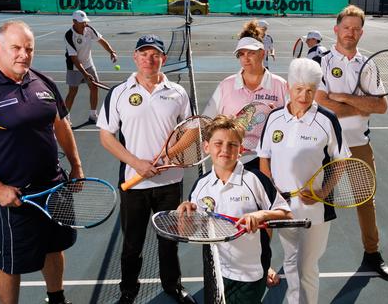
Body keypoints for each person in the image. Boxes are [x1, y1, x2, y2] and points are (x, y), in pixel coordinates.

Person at [0, 20, 83, 304]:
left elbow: (61, 125)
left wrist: (76, 165)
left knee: (54, 247)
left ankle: (56, 299)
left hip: (55, 187)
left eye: (29, 49)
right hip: (17, 197)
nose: (23, 54)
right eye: (16, 48)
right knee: (12, 264)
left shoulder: (43, 82)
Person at [96, 34, 197, 304]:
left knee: (169, 241)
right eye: (144, 53)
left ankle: (173, 286)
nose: (149, 59)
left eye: (155, 54)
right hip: (134, 183)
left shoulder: (178, 93)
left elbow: (189, 132)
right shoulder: (119, 93)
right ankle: (128, 291)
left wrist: (167, 154)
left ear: (163, 59)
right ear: (135, 57)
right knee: (132, 244)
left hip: (170, 182)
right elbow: (106, 136)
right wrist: (136, 163)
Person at [259, 57, 351, 303]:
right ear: (289, 87)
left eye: (310, 90)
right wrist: (273, 191)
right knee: (290, 260)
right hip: (283, 207)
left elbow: (340, 161)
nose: (304, 95)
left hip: (314, 207)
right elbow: (264, 159)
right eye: (299, 89)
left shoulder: (327, 119)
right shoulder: (274, 118)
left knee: (306, 267)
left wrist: (323, 193)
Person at [314, 4, 388, 280]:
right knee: (312, 199)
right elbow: (322, 104)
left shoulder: (368, 64)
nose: (351, 33)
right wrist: (362, 105)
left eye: (356, 29)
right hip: (322, 145)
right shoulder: (321, 60)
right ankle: (301, 256)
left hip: (358, 144)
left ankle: (372, 253)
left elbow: (381, 106)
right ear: (336, 29)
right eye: (346, 27)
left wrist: (344, 98)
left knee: (365, 200)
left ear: (362, 33)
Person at [177, 115, 291, 304]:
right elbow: (189, 231)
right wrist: (185, 217)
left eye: (232, 145)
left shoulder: (256, 180)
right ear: (206, 147)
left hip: (250, 274)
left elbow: (287, 214)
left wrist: (261, 214)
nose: (225, 150)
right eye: (218, 143)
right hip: (216, 271)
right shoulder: (201, 185)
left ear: (241, 150)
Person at [202, 20, 287, 171]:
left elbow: (292, 124)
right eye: (241, 54)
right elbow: (205, 122)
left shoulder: (281, 86)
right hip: (231, 162)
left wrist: (276, 118)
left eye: (251, 53)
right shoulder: (225, 86)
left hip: (271, 164)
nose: (245, 59)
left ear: (262, 53)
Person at [64, 10, 118, 124]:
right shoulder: (69, 36)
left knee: (94, 87)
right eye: (81, 22)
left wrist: (111, 51)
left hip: (88, 64)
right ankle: (65, 117)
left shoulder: (89, 29)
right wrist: (85, 74)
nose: (84, 24)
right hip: (74, 67)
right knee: (73, 91)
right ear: (74, 21)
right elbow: (74, 59)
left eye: (85, 21)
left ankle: (93, 115)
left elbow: (101, 40)